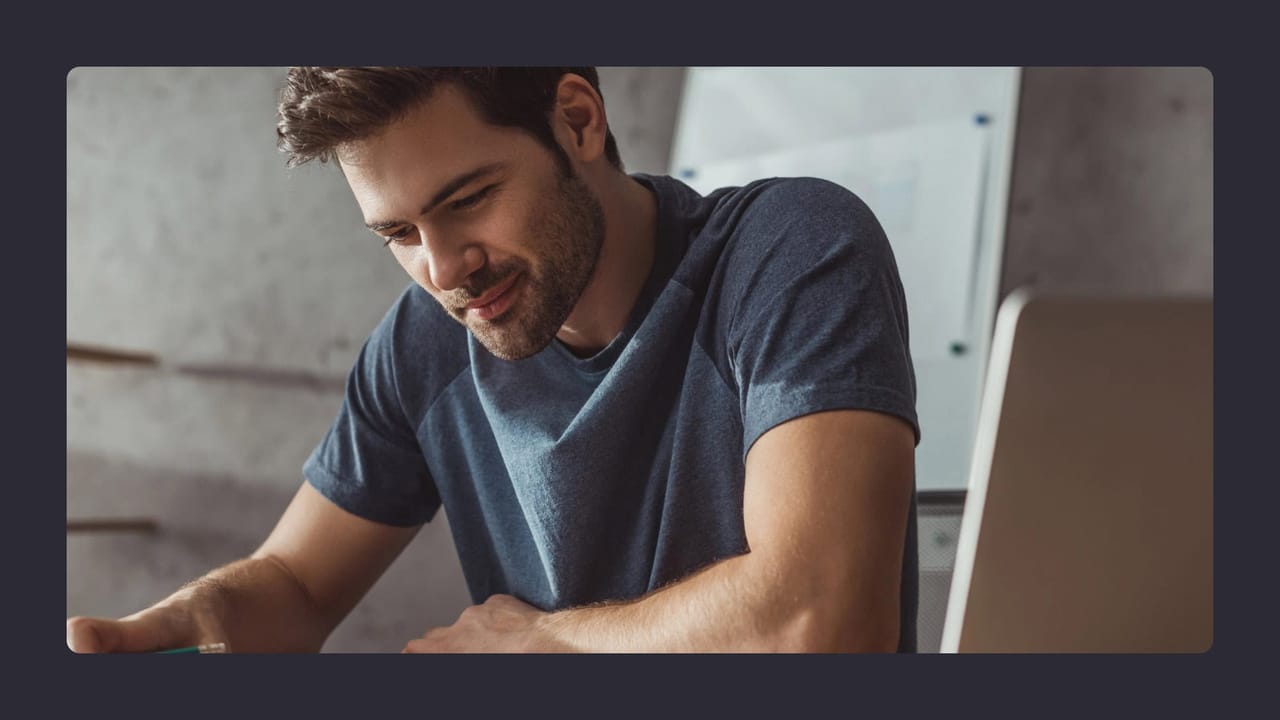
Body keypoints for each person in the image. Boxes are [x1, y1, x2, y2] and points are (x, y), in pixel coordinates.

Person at [66, 67, 920, 653]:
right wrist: (195, 621)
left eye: (468, 199)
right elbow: (294, 583)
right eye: (399, 233)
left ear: (578, 120)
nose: (442, 269)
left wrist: (544, 645)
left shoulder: (788, 251)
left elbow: (822, 620)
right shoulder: (426, 341)